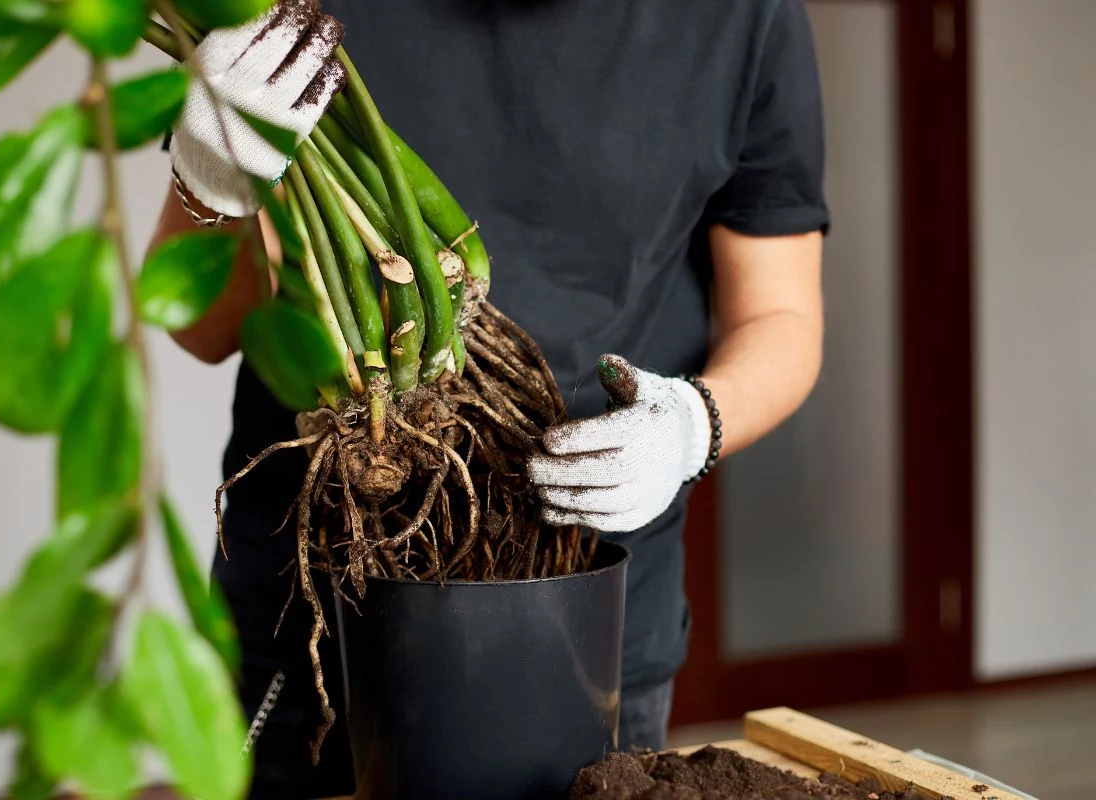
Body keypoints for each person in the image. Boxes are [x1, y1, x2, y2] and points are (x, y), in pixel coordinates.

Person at [151, 0, 828, 796]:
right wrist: (210, 189)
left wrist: (691, 426)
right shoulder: (287, 8)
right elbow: (205, 327)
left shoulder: (743, 17)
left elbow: (780, 317)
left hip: (590, 631)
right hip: (314, 632)